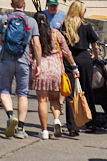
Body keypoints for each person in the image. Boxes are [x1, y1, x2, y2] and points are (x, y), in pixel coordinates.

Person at [0, 0, 42, 139]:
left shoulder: (4, 19)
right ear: (24, 5)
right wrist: (38, 64)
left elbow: (0, 41)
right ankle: (20, 129)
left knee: (4, 90)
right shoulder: (31, 21)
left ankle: (11, 116)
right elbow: (36, 45)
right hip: (23, 61)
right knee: (22, 94)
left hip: (6, 59)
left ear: (11, 5)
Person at [31, 10, 76, 140]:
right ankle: (57, 120)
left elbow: (30, 53)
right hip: (56, 70)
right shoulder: (56, 33)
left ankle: (44, 130)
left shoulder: (33, 36)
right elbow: (67, 52)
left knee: (42, 101)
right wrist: (74, 66)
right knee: (55, 100)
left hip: (41, 70)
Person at [62, 0, 104, 133]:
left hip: (70, 58)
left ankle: (72, 126)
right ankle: (90, 122)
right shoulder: (86, 25)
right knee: (86, 90)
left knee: (71, 92)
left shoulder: (65, 25)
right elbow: (94, 44)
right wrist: (95, 56)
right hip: (84, 58)